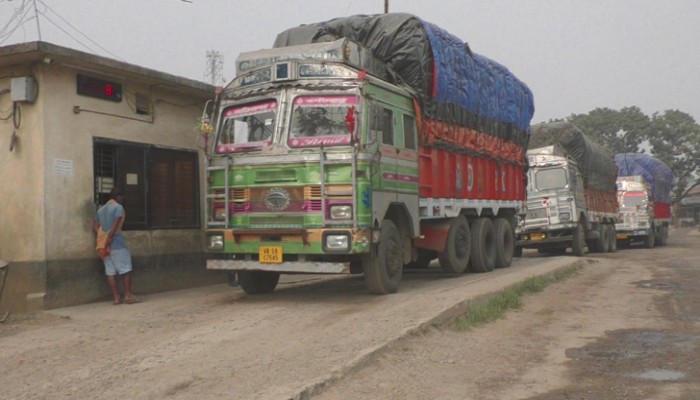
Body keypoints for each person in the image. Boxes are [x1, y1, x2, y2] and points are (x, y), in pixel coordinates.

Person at [94, 187, 142, 305]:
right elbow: (116, 224)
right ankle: (128, 295)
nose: (123, 199)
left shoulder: (100, 210)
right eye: (122, 197)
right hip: (117, 243)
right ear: (118, 196)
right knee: (126, 269)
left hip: (103, 246)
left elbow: (95, 226)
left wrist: (103, 237)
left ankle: (116, 298)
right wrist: (109, 237)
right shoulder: (118, 207)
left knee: (110, 271)